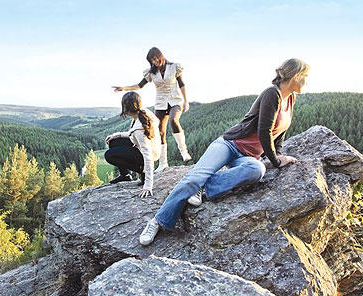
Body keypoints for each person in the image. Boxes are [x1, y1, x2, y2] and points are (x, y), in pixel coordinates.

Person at [139, 58, 310, 246]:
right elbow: (264, 131)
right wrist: (277, 161)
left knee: (257, 170)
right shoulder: (272, 94)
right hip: (229, 144)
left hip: (248, 157)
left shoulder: (290, 98)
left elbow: (280, 133)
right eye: (305, 77)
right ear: (296, 76)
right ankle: (158, 221)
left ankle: (206, 188)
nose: (307, 81)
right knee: (195, 177)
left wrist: (278, 154)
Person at [112, 47, 191, 173]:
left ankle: (183, 151)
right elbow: (139, 85)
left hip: (175, 100)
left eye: (155, 58)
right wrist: (124, 88)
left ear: (160, 55)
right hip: (160, 103)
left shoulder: (175, 67)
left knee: (173, 120)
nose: (155, 62)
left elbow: (182, 84)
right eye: (152, 60)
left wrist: (186, 101)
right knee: (160, 132)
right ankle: (163, 163)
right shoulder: (151, 72)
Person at [105, 91, 161, 198]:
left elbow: (147, 155)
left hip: (147, 154)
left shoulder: (139, 129)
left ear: (127, 107)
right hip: (143, 147)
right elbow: (133, 134)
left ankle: (141, 171)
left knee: (109, 155)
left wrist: (148, 185)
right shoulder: (142, 112)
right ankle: (125, 175)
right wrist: (117, 135)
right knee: (113, 142)